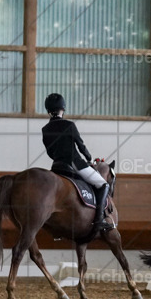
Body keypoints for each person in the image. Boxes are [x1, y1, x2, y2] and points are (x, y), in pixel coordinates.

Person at [41, 93, 113, 232]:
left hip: (57, 166)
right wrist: (90, 159)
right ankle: (99, 220)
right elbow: (80, 145)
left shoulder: (45, 129)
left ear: (48, 110)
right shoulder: (69, 125)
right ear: (63, 108)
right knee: (103, 185)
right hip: (74, 164)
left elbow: (50, 151)